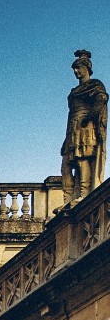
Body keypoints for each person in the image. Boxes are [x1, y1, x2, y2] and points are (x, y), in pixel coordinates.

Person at [61, 49, 108, 204]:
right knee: (67, 164)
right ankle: (69, 198)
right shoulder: (74, 91)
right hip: (73, 129)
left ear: (86, 68)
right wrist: (65, 139)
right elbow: (70, 115)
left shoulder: (95, 84)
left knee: (83, 159)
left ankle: (85, 193)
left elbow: (101, 100)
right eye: (74, 69)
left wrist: (89, 117)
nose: (76, 71)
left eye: (78, 68)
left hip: (86, 127)